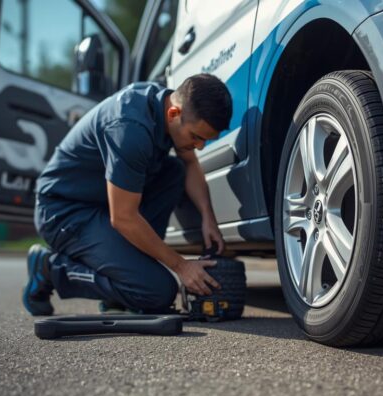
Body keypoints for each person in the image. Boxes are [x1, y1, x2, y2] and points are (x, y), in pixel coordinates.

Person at [22, 74, 232, 316]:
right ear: (173, 114)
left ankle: (122, 283)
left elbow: (190, 165)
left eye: (206, 140)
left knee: (174, 171)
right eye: (196, 137)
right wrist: (181, 265)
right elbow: (123, 218)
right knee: (157, 292)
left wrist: (208, 217)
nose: (200, 146)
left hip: (103, 205)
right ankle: (50, 267)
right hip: (64, 211)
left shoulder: (164, 104)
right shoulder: (130, 130)